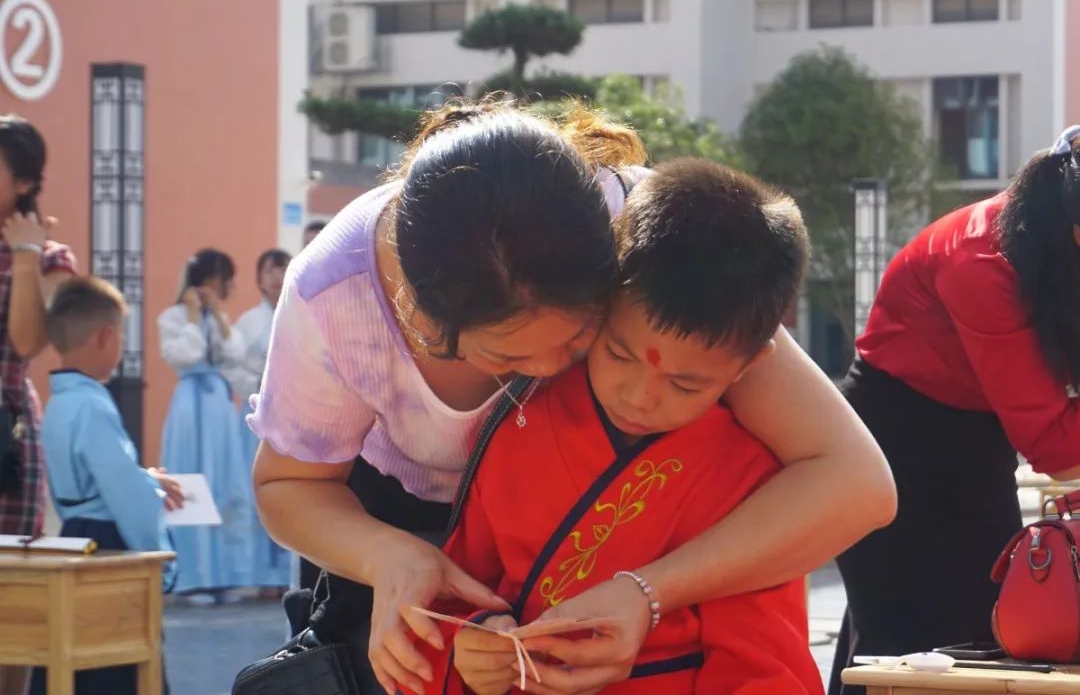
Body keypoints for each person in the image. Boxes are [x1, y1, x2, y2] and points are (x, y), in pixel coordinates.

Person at [249, 101, 895, 695]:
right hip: (388, 538)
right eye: (508, 359)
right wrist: (398, 566)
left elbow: (854, 483)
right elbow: (289, 485)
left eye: (583, 339)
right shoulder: (334, 299)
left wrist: (648, 593)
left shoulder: (651, 239)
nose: (546, 375)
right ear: (422, 320)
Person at [413, 160, 822, 695]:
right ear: (600, 306)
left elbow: (762, 668)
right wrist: (475, 642)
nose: (639, 397)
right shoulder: (521, 422)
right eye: (619, 354)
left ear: (750, 365)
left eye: (685, 384)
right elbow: (457, 592)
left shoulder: (751, 481)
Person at [829, 126, 1080, 695]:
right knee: (902, 645)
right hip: (893, 444)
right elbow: (1056, 447)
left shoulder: (1049, 244)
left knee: (991, 628)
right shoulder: (981, 259)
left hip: (976, 436)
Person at [29, 277, 181, 695]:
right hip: (110, 546)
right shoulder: (94, 405)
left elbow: (92, 481)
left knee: (69, 659)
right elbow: (124, 493)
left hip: (75, 538)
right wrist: (159, 557)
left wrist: (145, 477)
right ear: (106, 336)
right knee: (116, 664)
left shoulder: (58, 403)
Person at [0, 114, 77, 695]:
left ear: (24, 182)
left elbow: (27, 343)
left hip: (7, 437)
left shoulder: (51, 258)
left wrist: (25, 255)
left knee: (11, 608)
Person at [158, 248, 254, 601]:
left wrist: (216, 318)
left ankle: (223, 575)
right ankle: (191, 577)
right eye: (216, 278)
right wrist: (193, 316)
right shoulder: (173, 317)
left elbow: (236, 354)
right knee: (191, 480)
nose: (218, 286)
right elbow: (185, 355)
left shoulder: (219, 319)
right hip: (190, 404)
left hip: (218, 405)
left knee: (223, 483)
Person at [229, 248, 293, 595]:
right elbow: (234, 368)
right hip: (257, 413)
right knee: (259, 487)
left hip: (292, 413)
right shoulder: (248, 322)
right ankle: (259, 576)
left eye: (282, 269)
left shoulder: (300, 310)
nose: (276, 277)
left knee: (292, 487)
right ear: (259, 278)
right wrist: (258, 382)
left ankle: (287, 575)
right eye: (270, 270)